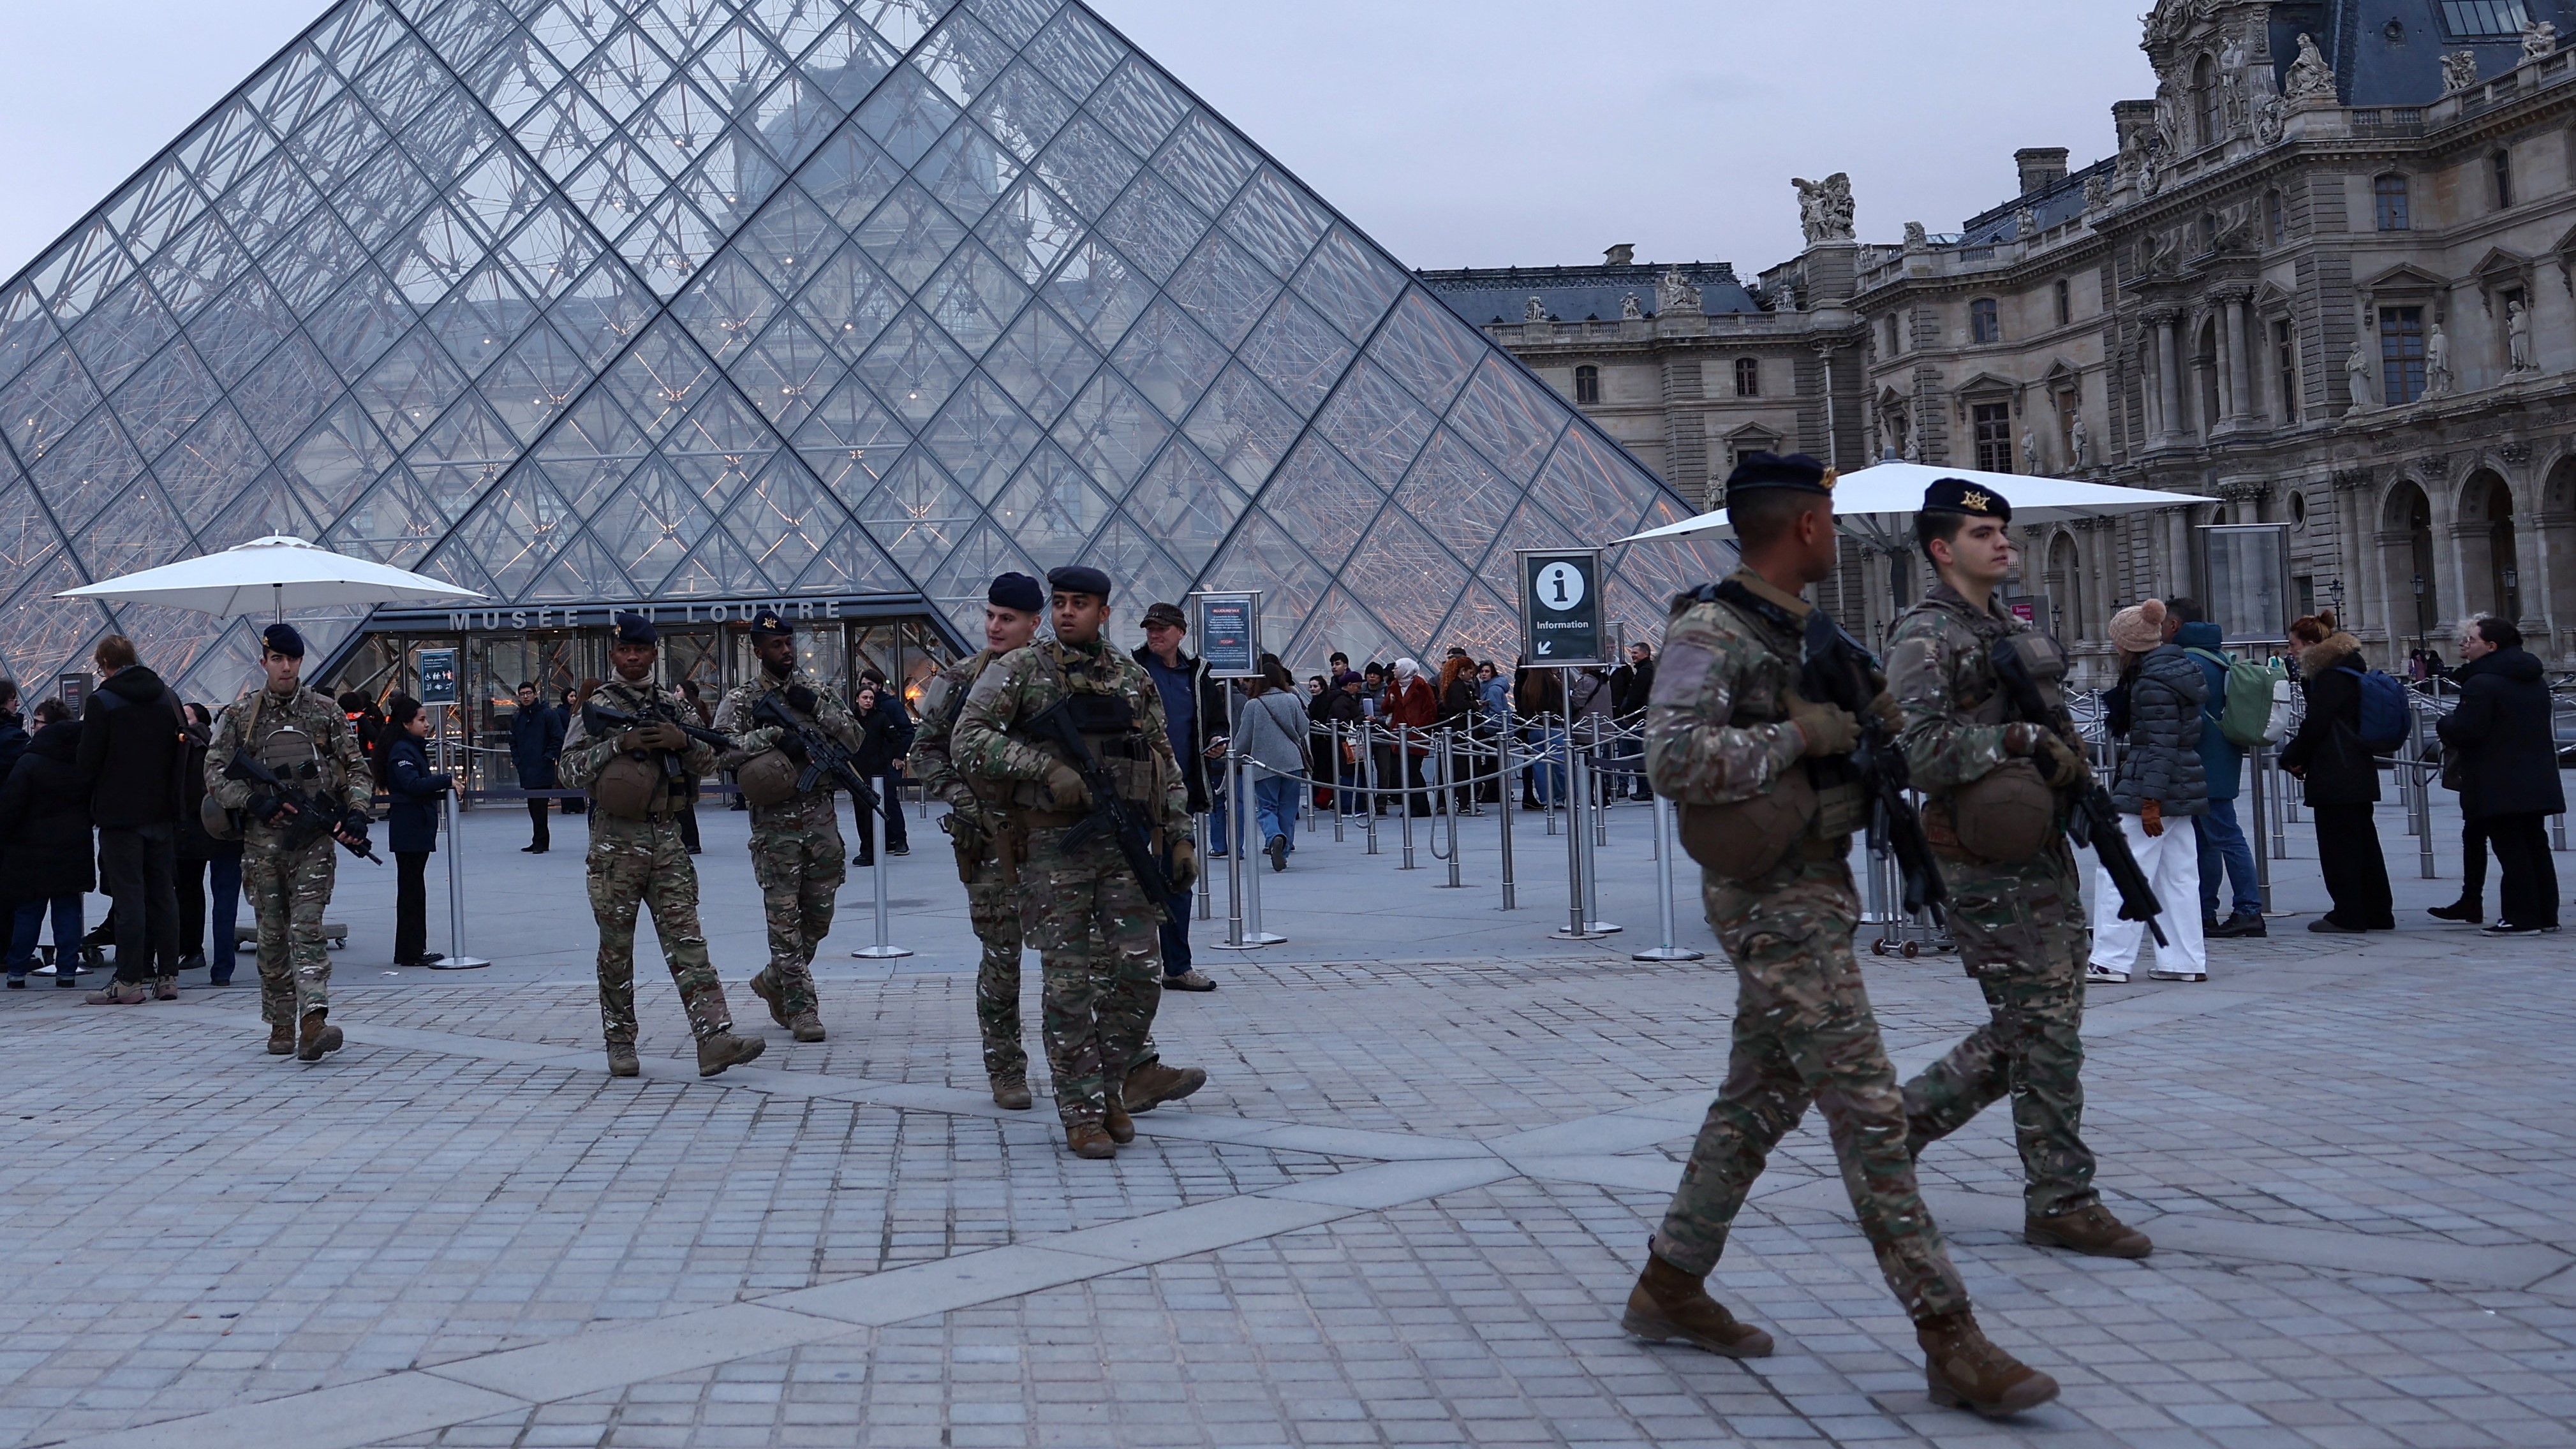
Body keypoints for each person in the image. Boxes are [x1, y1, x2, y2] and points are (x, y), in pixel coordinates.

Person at [1629, 452, 2056, 1416]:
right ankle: (1949, 1337)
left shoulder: (1810, 634)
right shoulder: (1713, 628)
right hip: (1768, 904)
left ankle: (1668, 1283)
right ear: (1808, 527)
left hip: (1815, 890)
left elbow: (1897, 728)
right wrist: (1798, 738)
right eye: (1827, 512)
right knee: (1867, 1113)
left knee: (1757, 1100)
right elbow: (1670, 758)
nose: (1833, 524)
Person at [1887, 477, 2153, 1261]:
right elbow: (1915, 749)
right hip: (1982, 860)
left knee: (2042, 1026)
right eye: (1982, 534)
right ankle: (2063, 1199)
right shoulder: (1926, 633)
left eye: (2004, 529)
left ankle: (1894, 1129)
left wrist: (2076, 779)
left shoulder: (2006, 626)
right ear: (1942, 548)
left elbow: (2052, 729)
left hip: (2037, 851)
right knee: (2044, 1030)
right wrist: (2014, 746)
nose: (2002, 541)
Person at [952, 565, 1209, 1159]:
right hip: (1051, 851)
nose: (1068, 612)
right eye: (1061, 602)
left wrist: (1179, 835)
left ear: (1104, 613)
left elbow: (1162, 759)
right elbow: (968, 737)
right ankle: (1083, 1112)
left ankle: (1109, 1084)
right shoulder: (1021, 670)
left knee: (1140, 977)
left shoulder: (1127, 676)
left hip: (1121, 850)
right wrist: (1044, 768)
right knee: (1068, 988)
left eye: (1081, 604)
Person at [558, 613, 767, 1078]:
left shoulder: (674, 707)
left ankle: (713, 1039)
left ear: (654, 652)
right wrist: (618, 745)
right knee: (616, 948)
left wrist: (681, 742)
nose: (632, 658)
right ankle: (620, 1041)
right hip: (616, 840)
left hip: (667, 838)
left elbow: (715, 760)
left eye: (641, 650)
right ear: (614, 654)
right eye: (624, 650)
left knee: (688, 940)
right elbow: (567, 771)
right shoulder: (595, 707)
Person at [205, 624, 376, 1059]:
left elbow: (356, 768)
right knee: (272, 934)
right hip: (263, 846)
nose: (285, 667)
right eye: (277, 660)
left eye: (292, 660)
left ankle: (313, 1020)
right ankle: (280, 1021)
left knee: (306, 927)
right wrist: (252, 802)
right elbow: (214, 773)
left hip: (313, 842)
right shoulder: (242, 715)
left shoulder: (324, 711)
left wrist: (356, 810)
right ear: (264, 662)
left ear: (302, 662)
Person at [712, 610, 867, 1043]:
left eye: (788, 644)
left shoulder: (814, 692)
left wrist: (815, 707)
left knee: (818, 920)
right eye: (776, 645)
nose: (785, 651)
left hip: (820, 823)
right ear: (758, 650)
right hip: (775, 827)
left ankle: (772, 980)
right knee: (784, 923)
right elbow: (718, 753)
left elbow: (856, 738)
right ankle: (802, 1011)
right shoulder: (742, 700)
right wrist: (772, 738)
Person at [2087, 599, 2209, 983]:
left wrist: (2151, 800)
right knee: (2178, 876)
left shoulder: (2152, 682)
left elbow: (2160, 744)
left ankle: (2111, 958)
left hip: (2151, 783)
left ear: (2129, 644)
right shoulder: (2174, 670)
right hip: (2179, 782)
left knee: (2120, 870)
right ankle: (2184, 960)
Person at [78, 635, 189, 1004]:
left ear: (106, 664)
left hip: (119, 815)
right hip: (162, 812)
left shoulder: (102, 702)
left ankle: (129, 981)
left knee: (130, 899)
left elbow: (88, 762)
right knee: (163, 896)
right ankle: (168, 977)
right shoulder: (168, 697)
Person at [2436, 615, 2563, 934]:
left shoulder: (2482, 683)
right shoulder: (2533, 678)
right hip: (2536, 774)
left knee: (2511, 848)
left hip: (2498, 778)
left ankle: (2521, 917)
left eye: (2473, 640)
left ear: (2491, 646)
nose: (2467, 645)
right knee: (2536, 844)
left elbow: (2467, 730)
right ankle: (2547, 914)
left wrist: (2445, 724)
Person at [2280, 612, 2394, 932]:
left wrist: (2293, 756)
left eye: (2294, 645)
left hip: (2336, 770)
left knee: (2338, 846)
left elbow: (2317, 724)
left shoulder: (2331, 678)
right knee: (2364, 843)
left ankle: (2349, 913)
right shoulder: (2348, 668)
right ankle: (2378, 911)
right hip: (2356, 767)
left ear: (2313, 645)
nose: (2290, 651)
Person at [1133, 600, 1225, 992]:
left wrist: (1218, 741)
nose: (1154, 635)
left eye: (1162, 629)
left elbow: (1215, 721)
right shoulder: (1131, 670)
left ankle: (1177, 966)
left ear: (1181, 633)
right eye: (1150, 629)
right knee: (1131, 881)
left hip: (1180, 794)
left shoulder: (1199, 675)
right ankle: (1133, 970)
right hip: (1135, 795)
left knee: (1179, 878)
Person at [2170, 601, 2266, 939]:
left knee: (2223, 837)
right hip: (2220, 759)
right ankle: (2205, 909)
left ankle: (2247, 909)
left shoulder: (2189, 663)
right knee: (2208, 839)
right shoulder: (2217, 658)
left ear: (2176, 626)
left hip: (2203, 763)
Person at [1, 699, 93, 990]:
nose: (34, 726)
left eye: (39, 721)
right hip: (73, 845)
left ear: (50, 727)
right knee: (67, 909)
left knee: (29, 911)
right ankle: (67, 970)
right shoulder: (81, 759)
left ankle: (17, 970)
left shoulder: (30, 761)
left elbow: (10, 806)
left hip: (32, 848)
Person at [380, 696, 453, 969]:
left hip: (415, 829)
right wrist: (445, 780)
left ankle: (412, 948)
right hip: (409, 830)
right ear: (406, 723)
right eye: (421, 720)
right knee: (411, 892)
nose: (427, 724)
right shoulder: (402, 751)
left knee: (413, 890)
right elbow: (412, 785)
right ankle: (410, 951)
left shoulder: (409, 748)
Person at [173, 702, 242, 985]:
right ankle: (223, 967)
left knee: (191, 892)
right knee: (226, 901)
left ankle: (195, 951)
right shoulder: (243, 751)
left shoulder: (191, 749)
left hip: (196, 832)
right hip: (230, 835)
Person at [1237, 669, 1310, 871]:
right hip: (1292, 763)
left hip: (1264, 763)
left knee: (1267, 807)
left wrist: (1234, 757)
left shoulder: (1253, 705)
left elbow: (1244, 738)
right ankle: (1284, 851)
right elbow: (1303, 728)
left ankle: (1274, 837)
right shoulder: (1292, 699)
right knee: (1288, 808)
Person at [851, 667, 914, 861]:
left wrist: (898, 757)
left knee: (889, 799)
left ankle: (899, 839)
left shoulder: (890, 707)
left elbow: (905, 732)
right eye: (864, 685)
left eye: (871, 685)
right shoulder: (855, 714)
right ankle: (882, 841)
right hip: (865, 764)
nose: (868, 691)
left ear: (878, 686)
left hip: (887, 762)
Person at [509, 682, 563, 853]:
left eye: (529, 693)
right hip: (526, 768)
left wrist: (548, 757)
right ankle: (539, 840)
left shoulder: (547, 714)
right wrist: (518, 760)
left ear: (535, 694)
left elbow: (557, 737)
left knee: (540, 806)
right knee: (533, 806)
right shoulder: (518, 717)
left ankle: (541, 841)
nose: (526, 696)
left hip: (542, 767)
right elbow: (513, 741)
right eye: (523, 694)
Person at [1383, 658, 1437, 816]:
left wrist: (1419, 727)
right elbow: (1385, 709)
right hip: (1399, 736)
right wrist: (1390, 702)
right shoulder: (1394, 686)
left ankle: (1421, 806)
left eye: (1397, 667)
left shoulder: (1421, 686)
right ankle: (1412, 806)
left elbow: (1431, 710)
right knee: (1405, 772)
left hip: (1416, 735)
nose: (1394, 670)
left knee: (1413, 770)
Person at [1608, 641, 1657, 800]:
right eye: (1632, 652)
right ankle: (1648, 789)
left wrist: (1626, 714)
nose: (1633, 655)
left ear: (1646, 653)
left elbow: (1634, 696)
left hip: (1640, 720)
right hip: (1646, 718)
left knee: (1639, 755)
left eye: (1636, 652)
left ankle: (1645, 790)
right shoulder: (1649, 670)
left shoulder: (1644, 673)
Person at [1515, 663, 1566, 808]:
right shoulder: (1554, 684)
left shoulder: (1528, 686)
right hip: (1553, 728)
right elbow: (1562, 705)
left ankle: (1546, 798)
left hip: (1534, 729)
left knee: (1539, 767)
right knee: (1560, 764)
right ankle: (1562, 795)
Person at [675, 679, 710, 855]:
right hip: (687, 763)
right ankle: (688, 840)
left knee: (684, 803)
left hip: (688, 763)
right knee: (683, 803)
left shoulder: (691, 713)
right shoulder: (694, 710)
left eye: (679, 690)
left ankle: (691, 842)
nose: (676, 694)